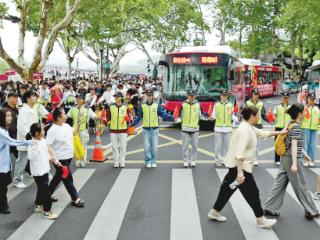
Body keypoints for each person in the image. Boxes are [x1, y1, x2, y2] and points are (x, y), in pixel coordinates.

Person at [208, 106, 287, 229]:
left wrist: (280, 132)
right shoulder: (244, 130)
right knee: (253, 193)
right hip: (241, 168)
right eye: (258, 115)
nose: (259, 117)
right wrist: (240, 173)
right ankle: (260, 219)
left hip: (237, 167)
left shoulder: (249, 126)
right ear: (252, 116)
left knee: (227, 189)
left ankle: (214, 212)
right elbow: (239, 153)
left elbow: (262, 133)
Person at [264, 104, 320, 220]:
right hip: (291, 159)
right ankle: (311, 210)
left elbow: (292, 142)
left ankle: (270, 207)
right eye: (304, 112)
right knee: (301, 185)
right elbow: (294, 145)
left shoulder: (291, 123)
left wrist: (304, 154)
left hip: (285, 157)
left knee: (280, 183)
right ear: (299, 113)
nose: (306, 113)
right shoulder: (297, 127)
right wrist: (295, 163)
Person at [47, 108, 85, 208]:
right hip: (60, 159)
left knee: (58, 177)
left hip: (68, 157)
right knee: (68, 177)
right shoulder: (53, 130)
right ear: (59, 117)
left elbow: (75, 132)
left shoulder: (67, 126)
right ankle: (75, 198)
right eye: (64, 114)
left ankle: (46, 195)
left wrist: (79, 122)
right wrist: (53, 158)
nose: (66, 115)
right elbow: (48, 145)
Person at [0, 108, 31, 214]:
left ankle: (3, 204)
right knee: (3, 186)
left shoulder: (4, 129)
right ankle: (3, 205)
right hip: (1, 165)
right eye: (7, 116)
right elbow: (12, 142)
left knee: (4, 183)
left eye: (10, 115)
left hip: (4, 163)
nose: (10, 118)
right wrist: (29, 142)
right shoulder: (1, 131)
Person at [134, 89, 174, 168]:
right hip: (146, 129)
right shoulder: (142, 106)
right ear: (146, 96)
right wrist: (132, 123)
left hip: (155, 129)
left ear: (152, 96)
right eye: (147, 95)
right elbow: (139, 117)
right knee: (146, 147)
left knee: (154, 147)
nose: (149, 97)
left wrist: (173, 118)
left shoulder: (157, 105)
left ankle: (153, 161)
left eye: (150, 95)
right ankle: (148, 160)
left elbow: (163, 115)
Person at [27, 123, 58, 220]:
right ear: (37, 133)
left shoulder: (43, 141)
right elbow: (30, 157)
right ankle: (47, 211)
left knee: (41, 189)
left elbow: (46, 153)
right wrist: (35, 146)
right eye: (42, 130)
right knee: (46, 192)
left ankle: (38, 205)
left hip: (45, 169)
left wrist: (55, 161)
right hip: (38, 171)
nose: (44, 132)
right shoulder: (31, 143)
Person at [176, 89, 207, 168]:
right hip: (185, 129)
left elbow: (202, 115)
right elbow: (180, 116)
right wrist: (177, 120)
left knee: (195, 146)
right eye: (190, 96)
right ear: (187, 96)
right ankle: (185, 161)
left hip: (195, 129)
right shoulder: (183, 104)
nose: (191, 97)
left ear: (195, 96)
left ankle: (193, 161)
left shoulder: (198, 105)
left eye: (193, 96)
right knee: (185, 146)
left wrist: (208, 117)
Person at [13, 90, 38, 189]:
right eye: (33, 96)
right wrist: (28, 137)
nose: (35, 97)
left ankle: (34, 172)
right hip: (25, 140)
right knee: (22, 160)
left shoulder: (33, 109)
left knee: (33, 157)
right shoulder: (24, 110)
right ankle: (17, 180)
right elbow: (21, 127)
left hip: (33, 138)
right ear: (28, 98)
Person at [67, 93, 97, 167]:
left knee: (83, 146)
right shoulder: (73, 108)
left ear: (83, 100)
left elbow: (94, 117)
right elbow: (67, 116)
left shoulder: (87, 108)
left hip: (84, 130)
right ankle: (77, 161)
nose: (77, 100)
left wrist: (101, 118)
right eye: (76, 98)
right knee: (76, 146)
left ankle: (83, 160)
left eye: (79, 98)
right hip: (75, 131)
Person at [106, 91, 131, 168]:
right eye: (115, 97)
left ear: (121, 98)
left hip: (123, 130)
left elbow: (130, 117)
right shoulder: (111, 107)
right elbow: (107, 117)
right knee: (114, 147)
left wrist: (128, 119)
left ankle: (122, 161)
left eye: (117, 97)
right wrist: (107, 122)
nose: (116, 98)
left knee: (123, 146)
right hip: (113, 130)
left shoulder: (125, 107)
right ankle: (116, 161)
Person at [211, 89, 235, 167]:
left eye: (225, 95)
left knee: (227, 146)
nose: (224, 97)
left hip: (228, 128)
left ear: (227, 96)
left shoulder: (231, 105)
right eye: (223, 95)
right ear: (220, 96)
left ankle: (225, 160)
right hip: (218, 128)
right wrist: (211, 117)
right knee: (218, 146)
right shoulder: (216, 105)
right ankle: (218, 160)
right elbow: (213, 114)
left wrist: (237, 119)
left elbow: (233, 116)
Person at [244, 88, 268, 166]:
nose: (256, 96)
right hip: (249, 126)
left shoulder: (261, 103)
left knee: (257, 144)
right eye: (254, 94)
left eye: (257, 94)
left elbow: (264, 114)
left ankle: (255, 159)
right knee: (248, 143)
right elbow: (243, 113)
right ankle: (248, 158)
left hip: (258, 125)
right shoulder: (247, 103)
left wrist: (269, 120)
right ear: (252, 94)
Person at [301, 92, 319, 167]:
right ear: (307, 99)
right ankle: (305, 160)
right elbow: (301, 117)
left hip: (314, 128)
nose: (312, 100)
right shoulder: (304, 108)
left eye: (313, 99)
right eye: (310, 99)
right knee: (305, 145)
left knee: (312, 145)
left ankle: (311, 160)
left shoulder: (317, 108)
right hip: (305, 128)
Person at [273, 91, 291, 166]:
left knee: (287, 144)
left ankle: (285, 159)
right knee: (277, 143)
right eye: (284, 97)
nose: (285, 99)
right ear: (282, 98)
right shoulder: (277, 106)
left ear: (288, 98)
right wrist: (274, 119)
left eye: (286, 98)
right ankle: (277, 159)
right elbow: (274, 115)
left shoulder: (291, 107)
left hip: (287, 128)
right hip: (278, 127)